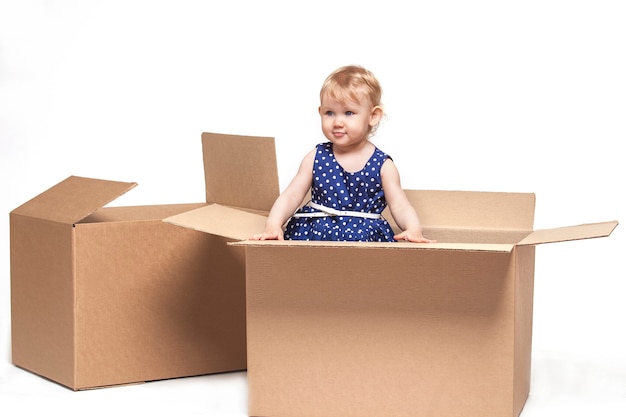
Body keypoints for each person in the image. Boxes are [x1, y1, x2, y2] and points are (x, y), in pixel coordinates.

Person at [250, 65, 434, 243]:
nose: (337, 122)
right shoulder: (316, 157)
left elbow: (400, 205)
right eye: (329, 113)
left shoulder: (383, 165)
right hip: (315, 235)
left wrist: (413, 228)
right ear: (320, 112)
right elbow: (291, 196)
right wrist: (273, 224)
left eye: (348, 113)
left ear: (373, 116)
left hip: (363, 240)